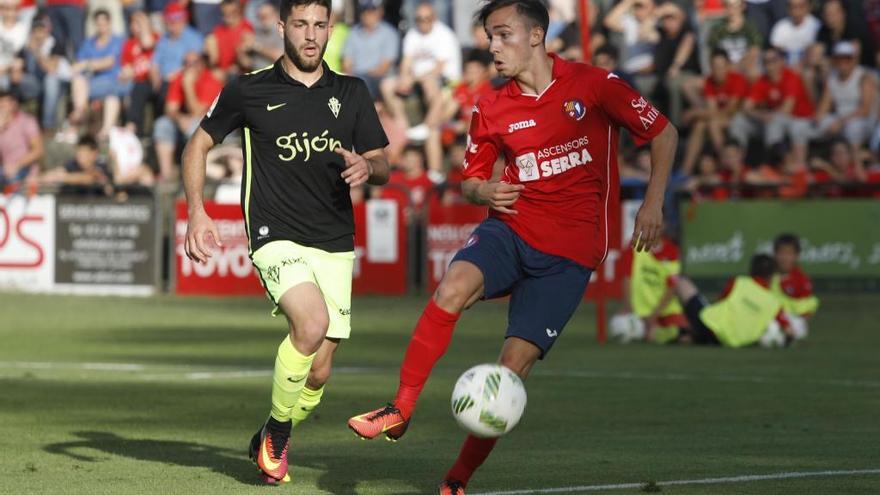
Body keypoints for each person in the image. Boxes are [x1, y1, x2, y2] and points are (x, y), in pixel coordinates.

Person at [347, 1, 678, 493]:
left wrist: (653, 204)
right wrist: (484, 191)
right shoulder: (491, 105)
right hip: (512, 228)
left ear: (537, 35)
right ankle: (400, 409)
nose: (493, 47)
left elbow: (663, 132)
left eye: (503, 35)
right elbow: (470, 182)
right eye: (489, 38)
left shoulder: (595, 85)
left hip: (568, 254)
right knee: (450, 290)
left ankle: (457, 479)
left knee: (509, 373)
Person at [181, 0, 390, 485]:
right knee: (311, 322)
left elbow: (381, 161)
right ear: (282, 28)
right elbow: (199, 143)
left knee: (317, 373)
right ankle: (277, 436)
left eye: (320, 25)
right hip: (275, 232)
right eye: (301, 24)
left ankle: (269, 436)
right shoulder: (250, 90)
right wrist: (197, 210)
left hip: (335, 239)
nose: (311, 35)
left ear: (331, 30)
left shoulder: (352, 92)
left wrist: (369, 167)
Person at [671, 254, 793, 347]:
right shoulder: (774, 303)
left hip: (711, 328)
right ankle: (691, 336)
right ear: (771, 276)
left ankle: (682, 330)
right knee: (694, 335)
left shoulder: (739, 282)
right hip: (734, 343)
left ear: (752, 270)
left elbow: (719, 302)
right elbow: (789, 331)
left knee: (681, 282)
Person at [618, 233, 687, 343]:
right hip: (640, 312)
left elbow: (672, 287)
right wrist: (628, 307)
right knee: (623, 327)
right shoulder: (635, 246)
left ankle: (670, 333)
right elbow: (626, 278)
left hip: (666, 309)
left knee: (686, 336)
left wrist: (654, 315)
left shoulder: (672, 250)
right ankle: (663, 334)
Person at [814, 42, 879, 152]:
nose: (843, 62)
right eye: (840, 59)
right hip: (840, 118)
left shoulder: (864, 77)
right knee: (809, 127)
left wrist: (840, 123)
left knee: (853, 129)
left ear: (854, 60)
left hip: (861, 120)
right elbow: (825, 105)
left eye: (847, 58)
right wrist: (818, 117)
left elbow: (865, 110)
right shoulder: (832, 78)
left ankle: (857, 163)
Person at [341, 0, 399, 98]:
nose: (368, 14)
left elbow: (384, 68)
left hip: (378, 79)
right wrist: (352, 77)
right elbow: (347, 63)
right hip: (357, 77)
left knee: (361, 85)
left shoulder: (389, 33)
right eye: (364, 11)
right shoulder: (353, 33)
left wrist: (360, 77)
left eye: (372, 10)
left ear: (380, 12)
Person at [0, 89, 42, 190]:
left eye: (4, 103)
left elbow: (38, 151)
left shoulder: (27, 122)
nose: (2, 107)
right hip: (4, 169)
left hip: (24, 168)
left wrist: (16, 165)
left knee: (12, 178)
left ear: (13, 104)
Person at [770, 233, 818, 321]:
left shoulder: (802, 280)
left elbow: (806, 314)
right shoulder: (767, 275)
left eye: (789, 253)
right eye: (781, 253)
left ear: (797, 256)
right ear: (775, 254)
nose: (785, 258)